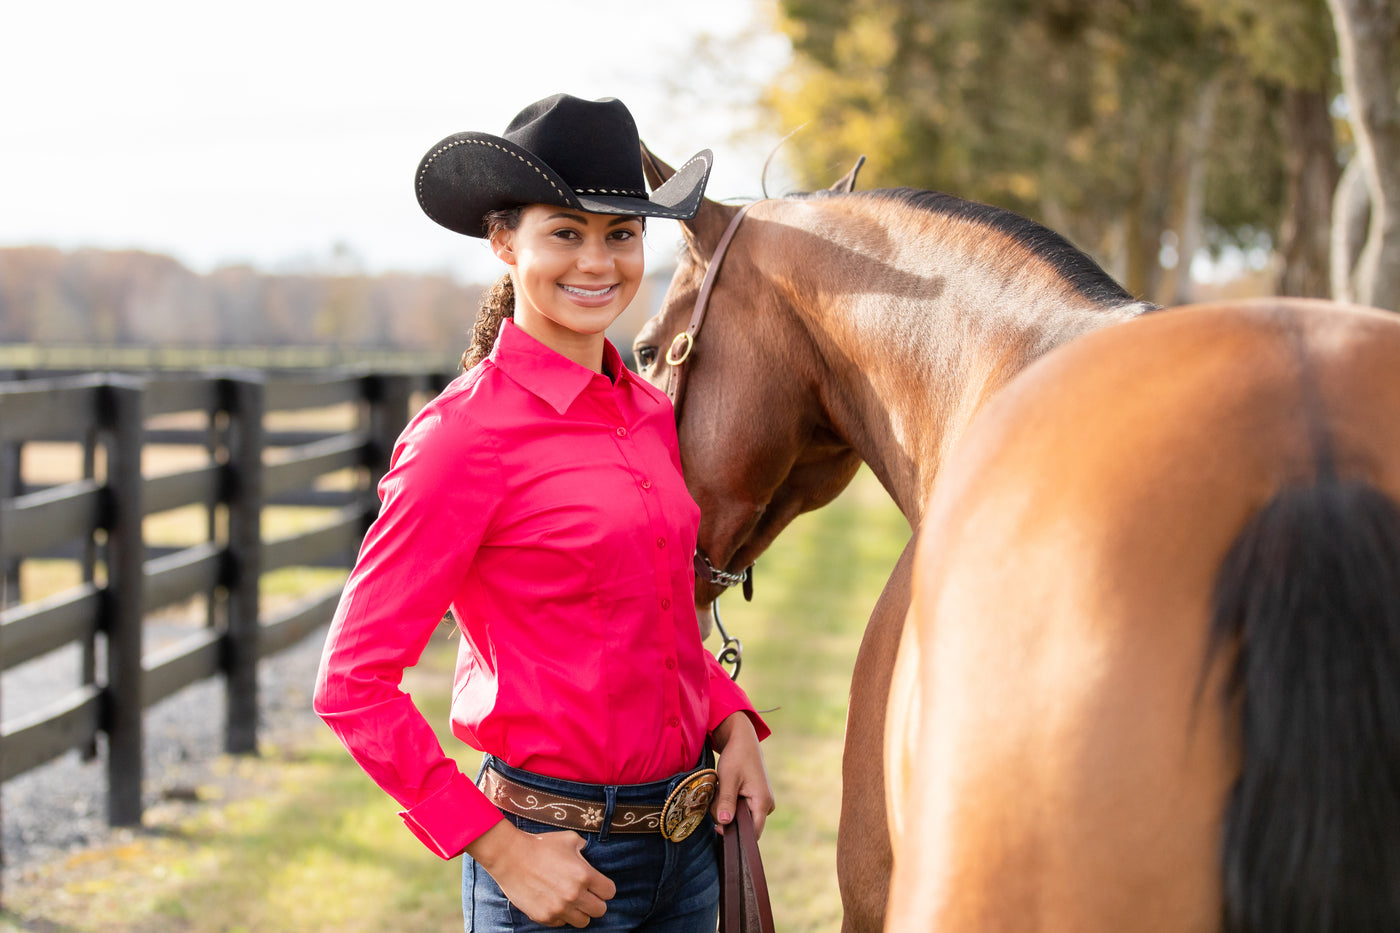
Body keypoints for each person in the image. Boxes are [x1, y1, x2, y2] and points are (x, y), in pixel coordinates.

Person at [313, 93, 774, 932]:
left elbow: (657, 620)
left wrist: (728, 717)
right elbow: (352, 684)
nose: (598, 263)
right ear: (504, 242)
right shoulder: (463, 438)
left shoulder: (645, 412)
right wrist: (496, 846)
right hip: (552, 870)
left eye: (621, 234)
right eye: (566, 231)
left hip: (689, 853)